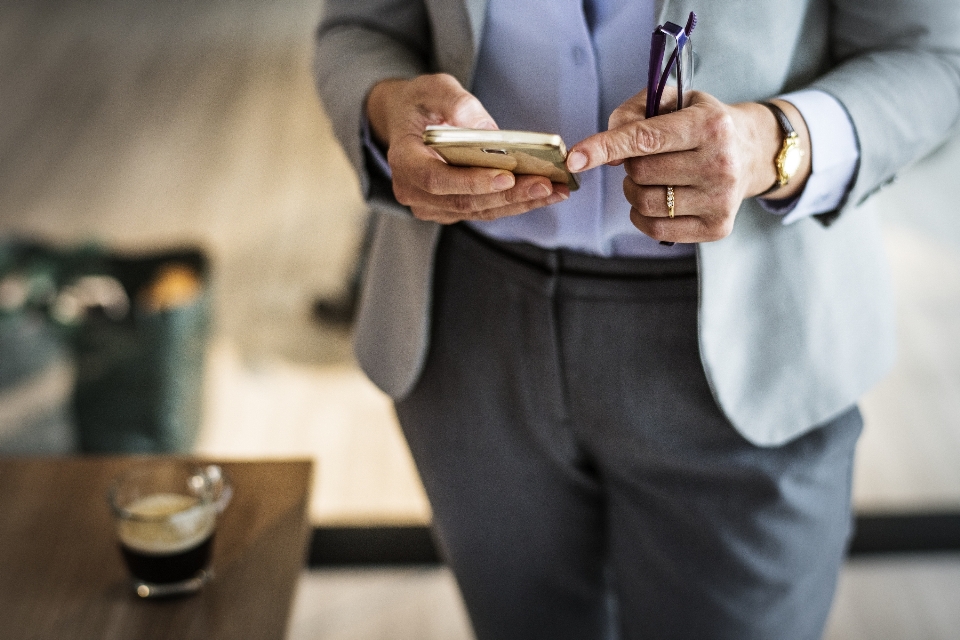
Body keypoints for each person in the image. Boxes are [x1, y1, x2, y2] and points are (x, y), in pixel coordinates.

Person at [314, 1, 960, 638]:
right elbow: (358, 30)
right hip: (469, 330)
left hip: (751, 341)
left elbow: (935, 60)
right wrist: (387, 107)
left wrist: (771, 144)